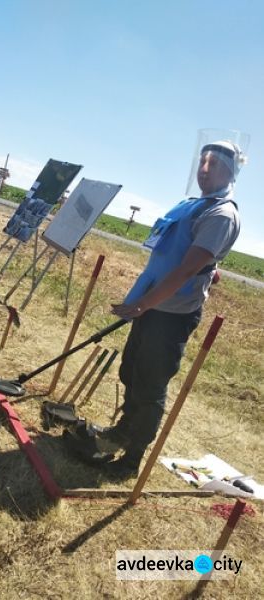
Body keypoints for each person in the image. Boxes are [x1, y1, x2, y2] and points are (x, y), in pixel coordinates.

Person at [95, 139, 246, 480]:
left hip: (171, 314)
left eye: (215, 165)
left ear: (230, 172)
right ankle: (122, 431)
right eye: (203, 162)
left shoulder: (221, 213)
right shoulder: (192, 205)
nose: (205, 170)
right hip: (152, 305)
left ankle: (131, 459)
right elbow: (190, 259)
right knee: (131, 372)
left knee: (150, 385)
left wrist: (142, 304)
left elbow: (186, 270)